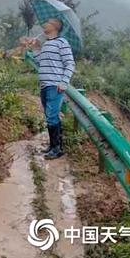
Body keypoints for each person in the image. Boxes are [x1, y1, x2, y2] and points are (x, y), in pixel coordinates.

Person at [26, 18, 76, 160]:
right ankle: (54, 146)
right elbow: (40, 61)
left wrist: (64, 82)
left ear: (54, 27)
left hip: (55, 85)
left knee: (52, 116)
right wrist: (35, 47)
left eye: (47, 23)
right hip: (45, 85)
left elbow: (70, 64)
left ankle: (57, 149)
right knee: (50, 116)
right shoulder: (47, 43)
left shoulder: (62, 43)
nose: (44, 24)